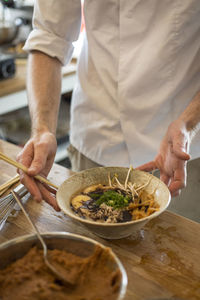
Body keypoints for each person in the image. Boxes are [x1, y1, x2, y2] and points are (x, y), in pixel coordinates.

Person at [17, 0, 200, 211]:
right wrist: (42, 129)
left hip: (179, 151)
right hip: (95, 134)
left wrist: (189, 122)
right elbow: (49, 36)